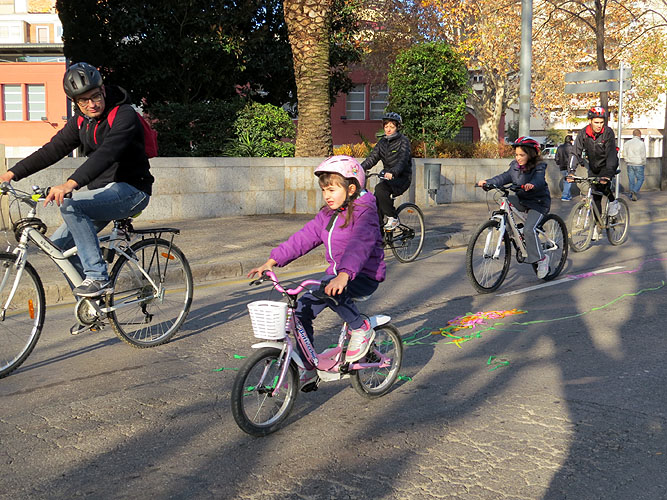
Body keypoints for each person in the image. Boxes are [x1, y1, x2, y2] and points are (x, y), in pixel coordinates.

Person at [0, 62, 153, 298]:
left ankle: (98, 277)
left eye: (96, 96)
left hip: (132, 190)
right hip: (101, 194)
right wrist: (10, 174)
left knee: (71, 205)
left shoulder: (124, 114)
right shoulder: (81, 121)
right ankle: (94, 304)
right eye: (83, 101)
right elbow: (52, 150)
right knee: (57, 247)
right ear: (75, 102)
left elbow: (108, 153)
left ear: (103, 90)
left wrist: (70, 183)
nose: (92, 104)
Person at [248, 155, 386, 387]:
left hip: (363, 275)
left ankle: (360, 328)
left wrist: (344, 275)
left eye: (332, 190)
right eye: (324, 190)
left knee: (330, 291)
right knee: (301, 311)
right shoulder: (328, 215)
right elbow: (303, 238)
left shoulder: (365, 213)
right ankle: (309, 367)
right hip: (337, 276)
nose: (327, 195)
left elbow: (359, 245)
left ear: (351, 189)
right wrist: (272, 261)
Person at [476, 136, 552, 279]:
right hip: (522, 200)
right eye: (516, 154)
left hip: (538, 203)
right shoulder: (514, 167)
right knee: (505, 202)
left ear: (531, 154)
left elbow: (539, 180)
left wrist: (532, 185)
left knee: (529, 229)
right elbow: (503, 177)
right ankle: (512, 233)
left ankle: (542, 259)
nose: (518, 158)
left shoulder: (539, 167)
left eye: (522, 155)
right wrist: (487, 182)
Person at [567, 106, 620, 228]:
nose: (599, 125)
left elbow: (611, 154)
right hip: (593, 166)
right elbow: (575, 152)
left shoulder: (607, 132)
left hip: (607, 164)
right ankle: (597, 226)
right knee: (595, 196)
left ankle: (613, 202)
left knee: (603, 186)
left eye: (601, 122)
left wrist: (608, 174)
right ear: (590, 121)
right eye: (596, 122)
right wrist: (571, 172)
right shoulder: (583, 133)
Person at [361, 112, 412, 231]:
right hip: (387, 178)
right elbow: (372, 158)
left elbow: (402, 160)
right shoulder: (382, 142)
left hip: (401, 178)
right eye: (386, 126)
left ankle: (393, 218)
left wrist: (393, 172)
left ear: (397, 127)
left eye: (392, 127)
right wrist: (359, 168)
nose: (388, 129)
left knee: (380, 189)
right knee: (376, 204)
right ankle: (380, 236)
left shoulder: (403, 141)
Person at [623, 129, 646, 201]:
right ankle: (635, 190)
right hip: (639, 163)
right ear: (639, 134)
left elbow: (624, 153)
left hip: (630, 163)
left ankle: (631, 195)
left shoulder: (627, 143)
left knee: (631, 180)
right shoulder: (641, 143)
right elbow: (643, 155)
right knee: (640, 179)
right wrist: (643, 162)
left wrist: (626, 160)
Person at [555, 134, 574, 201]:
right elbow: (574, 157)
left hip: (562, 166)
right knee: (568, 181)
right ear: (570, 140)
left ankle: (568, 196)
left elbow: (556, 158)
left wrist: (559, 163)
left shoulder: (560, 147)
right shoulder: (572, 148)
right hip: (569, 167)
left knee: (565, 181)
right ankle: (565, 196)